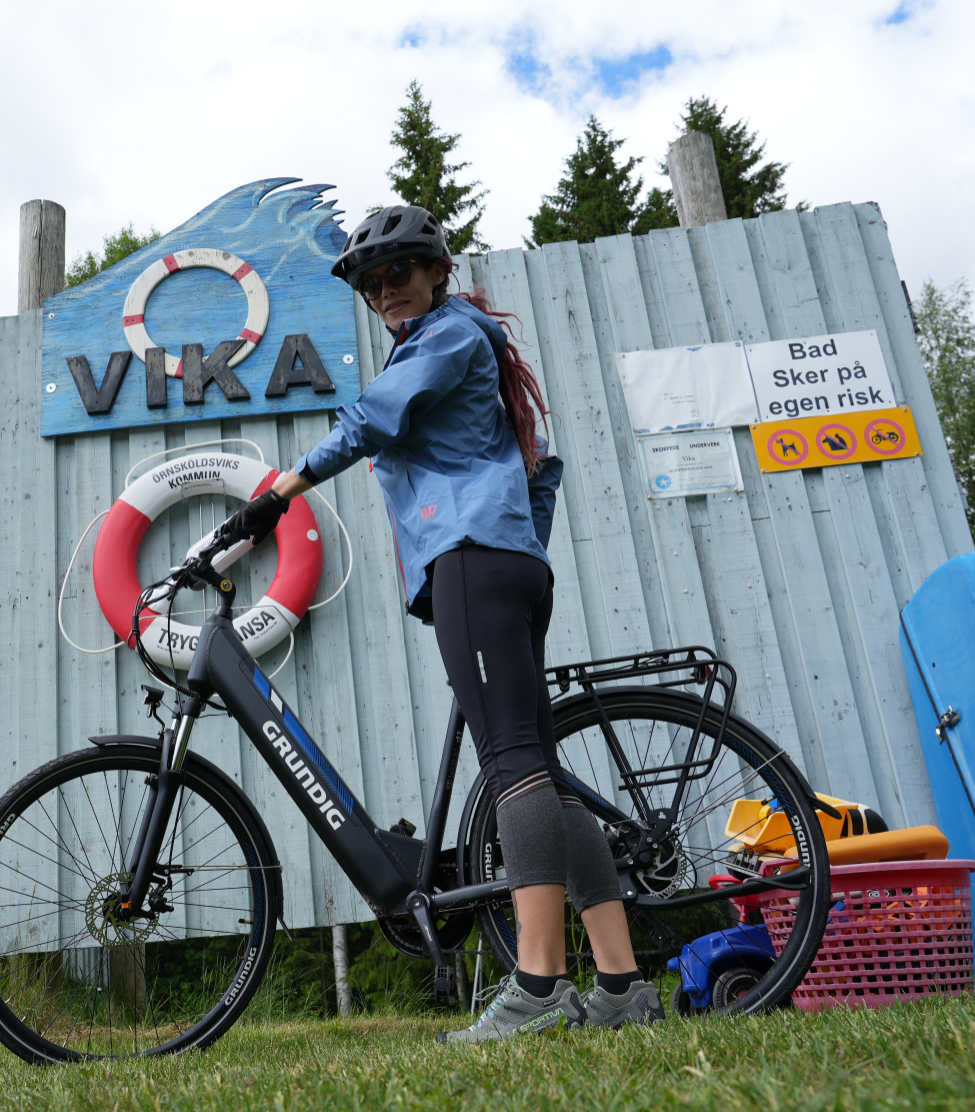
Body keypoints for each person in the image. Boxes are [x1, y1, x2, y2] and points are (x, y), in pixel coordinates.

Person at [223, 205, 663, 1041]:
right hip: (504, 561)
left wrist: (276, 494)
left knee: (514, 770)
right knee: (540, 770)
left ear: (436, 269)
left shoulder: (447, 338)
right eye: (371, 281)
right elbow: (535, 471)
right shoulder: (466, 341)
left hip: (471, 559)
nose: (386, 291)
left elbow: (371, 420)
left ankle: (538, 985)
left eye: (399, 272)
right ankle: (620, 984)